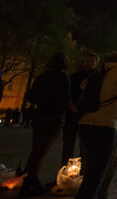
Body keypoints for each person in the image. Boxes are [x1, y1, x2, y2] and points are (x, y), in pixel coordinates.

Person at [75, 42, 117, 199]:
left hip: (85, 125)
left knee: (90, 176)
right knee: (95, 180)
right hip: (104, 127)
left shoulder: (104, 69)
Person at [19, 53, 71, 197]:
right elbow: (66, 99)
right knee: (42, 151)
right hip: (54, 118)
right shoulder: (63, 77)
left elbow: (31, 97)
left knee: (36, 150)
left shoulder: (42, 77)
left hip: (39, 116)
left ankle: (31, 181)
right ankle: (28, 184)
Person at [62, 52, 99, 166]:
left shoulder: (97, 79)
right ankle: (65, 169)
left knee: (85, 146)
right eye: (87, 60)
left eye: (92, 61)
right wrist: (71, 105)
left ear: (96, 64)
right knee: (68, 144)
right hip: (73, 114)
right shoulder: (75, 76)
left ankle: (83, 172)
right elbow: (67, 93)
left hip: (87, 115)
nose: (88, 63)